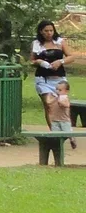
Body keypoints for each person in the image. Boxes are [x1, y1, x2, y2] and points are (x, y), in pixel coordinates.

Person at [31, 20, 75, 148]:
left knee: (62, 105)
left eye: (51, 30)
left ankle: (69, 134)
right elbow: (31, 60)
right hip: (43, 79)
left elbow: (71, 57)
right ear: (41, 31)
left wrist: (61, 61)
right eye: (46, 31)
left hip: (59, 80)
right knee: (49, 105)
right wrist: (39, 61)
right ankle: (55, 136)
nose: (49, 33)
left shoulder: (60, 42)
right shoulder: (36, 44)